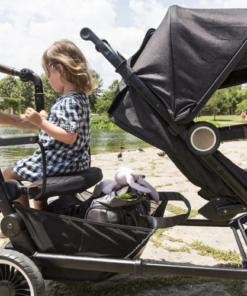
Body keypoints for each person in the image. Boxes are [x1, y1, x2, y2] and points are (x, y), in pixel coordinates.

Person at [2, 39, 95, 211]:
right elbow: (65, 127)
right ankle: (41, 216)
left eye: (47, 72)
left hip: (62, 162)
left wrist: (42, 122)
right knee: (36, 186)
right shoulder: (79, 98)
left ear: (59, 69)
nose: (47, 78)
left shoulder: (69, 101)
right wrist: (45, 121)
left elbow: (68, 136)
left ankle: (24, 219)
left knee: (8, 173)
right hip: (76, 161)